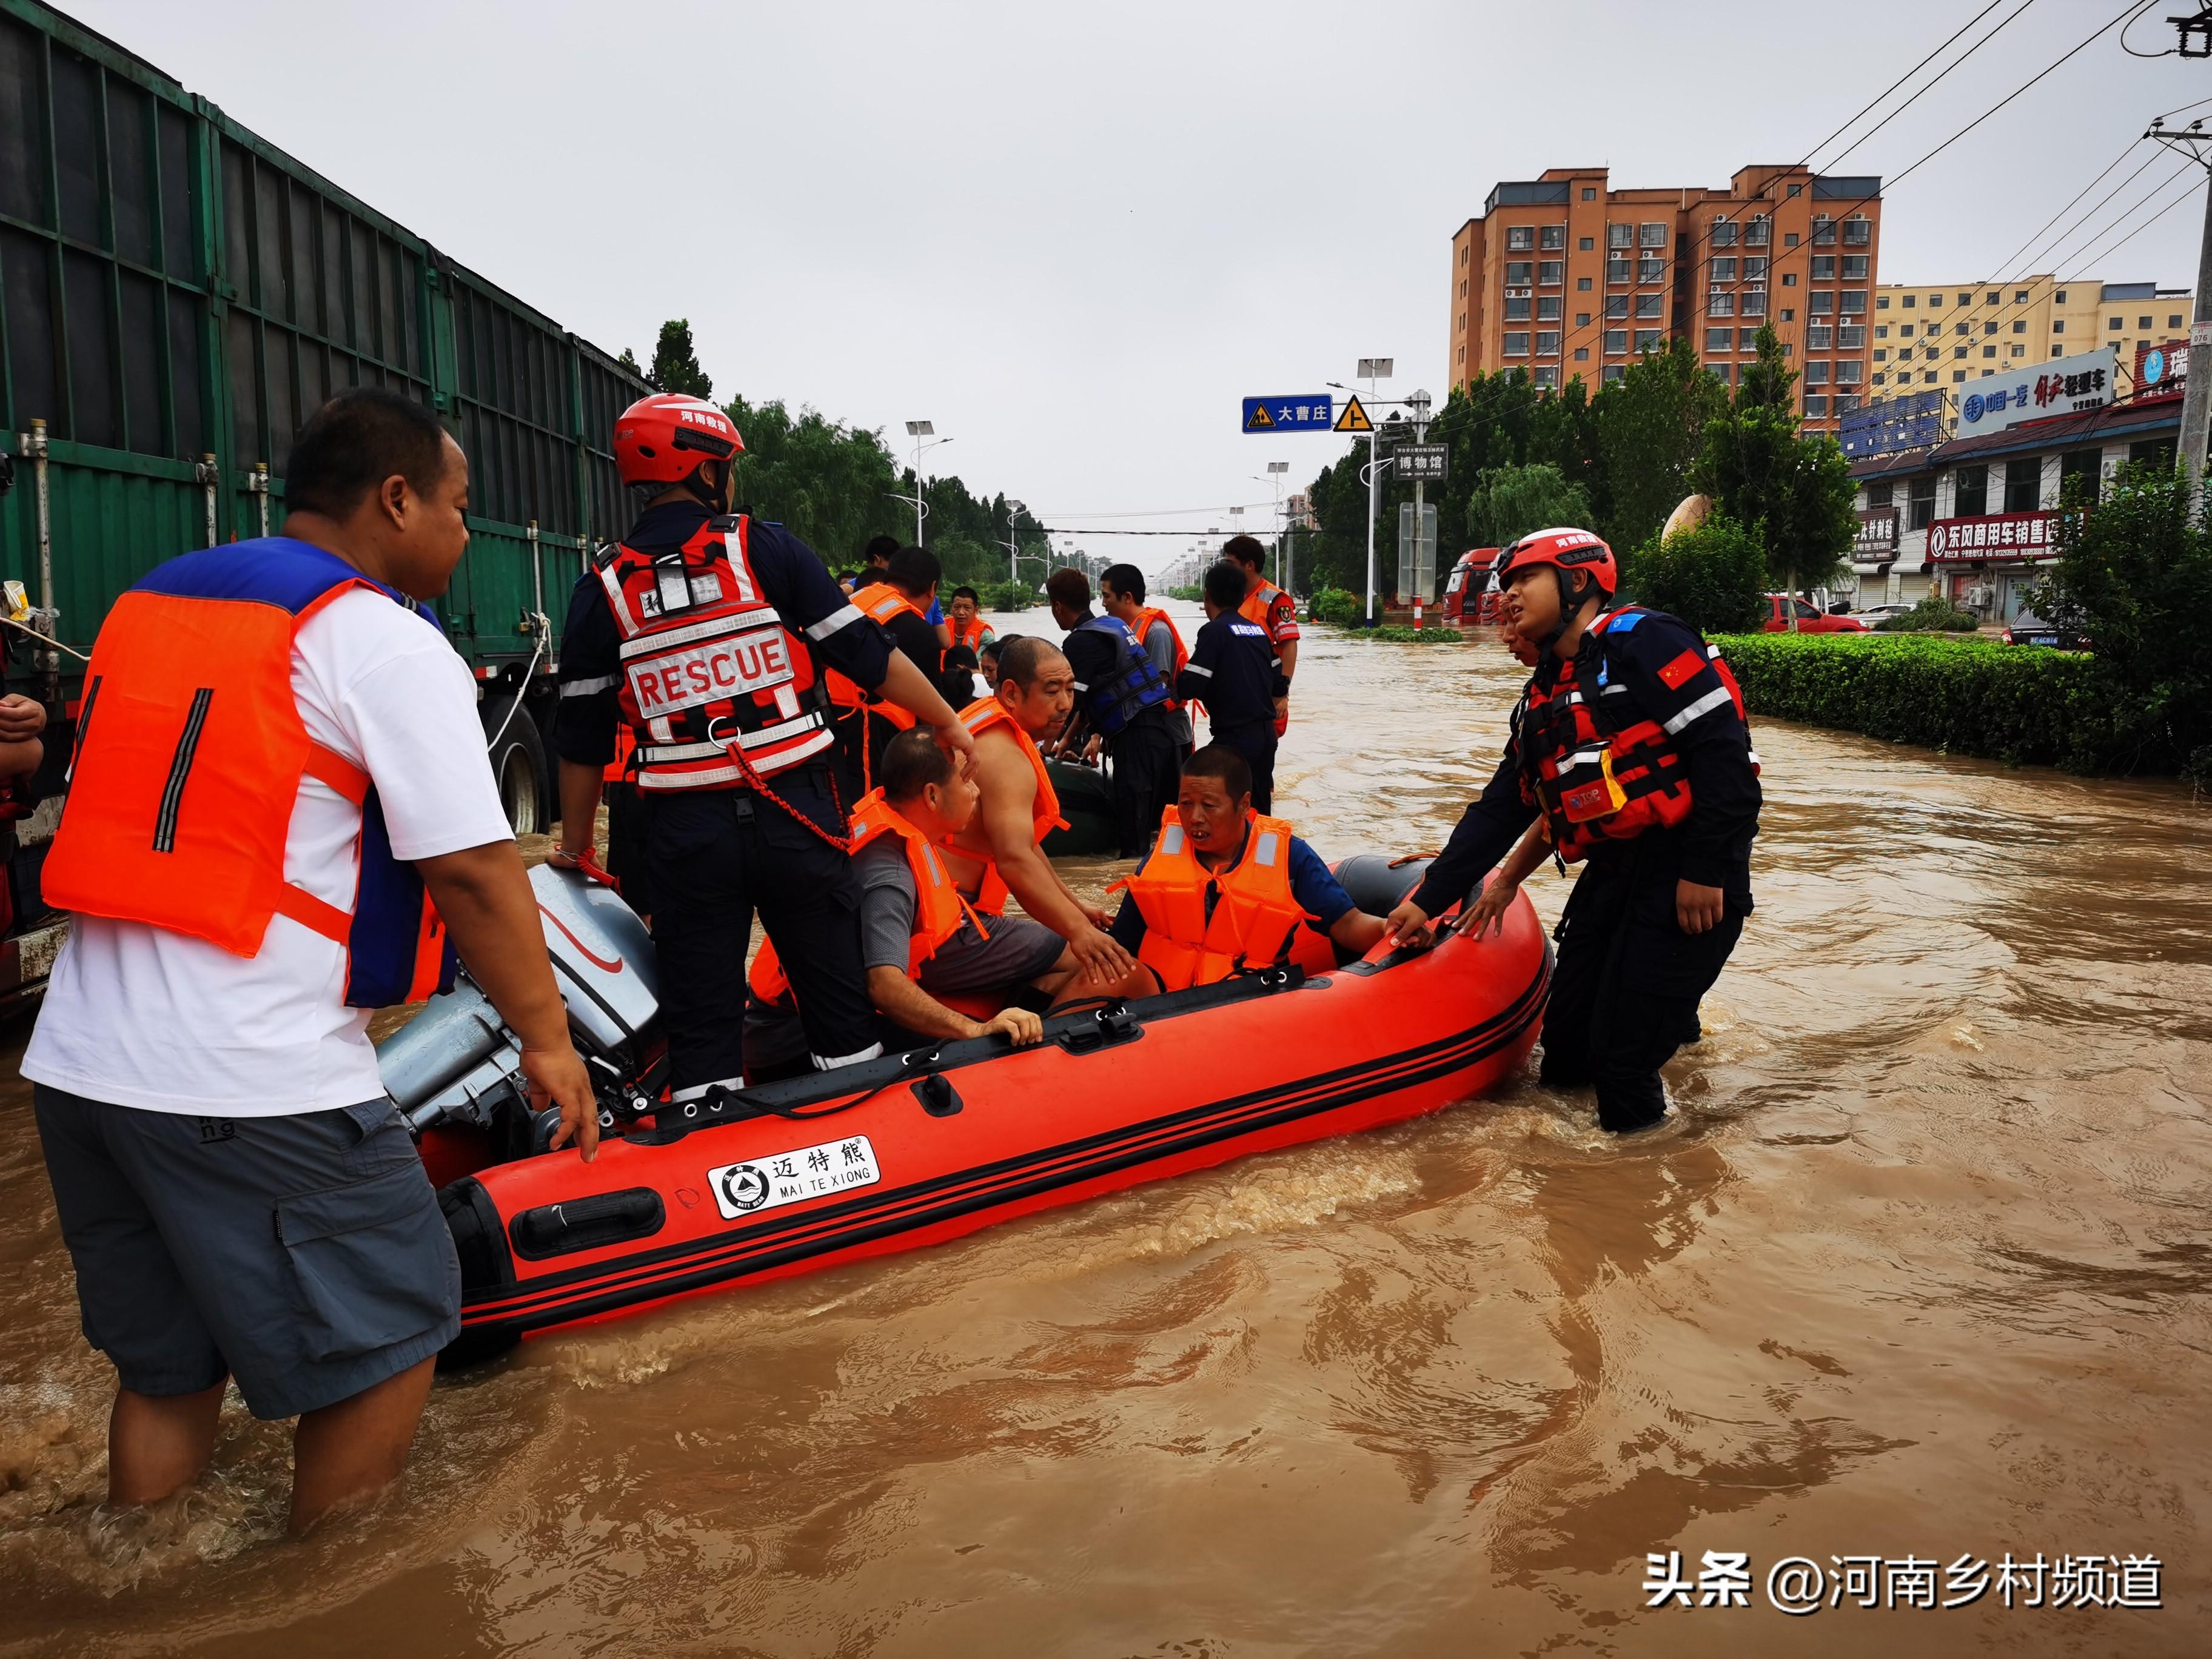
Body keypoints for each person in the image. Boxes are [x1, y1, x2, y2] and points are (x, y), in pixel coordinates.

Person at [24, 389, 598, 1533]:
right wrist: (547, 1038)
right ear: (396, 499)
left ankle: (144, 1578)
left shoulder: (147, 604)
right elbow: (478, 871)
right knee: (390, 1333)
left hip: (80, 1071)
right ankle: (324, 1599)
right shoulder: (381, 639)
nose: (466, 533)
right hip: (252, 1080)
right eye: (459, 506)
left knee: (168, 1366)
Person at [551, 392, 974, 1095]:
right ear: (709, 471)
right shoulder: (764, 548)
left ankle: (709, 1144)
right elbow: (867, 655)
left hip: (686, 839)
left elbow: (581, 739)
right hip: (797, 817)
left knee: (705, 1026)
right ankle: (860, 1126)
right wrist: (951, 721)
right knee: (840, 1013)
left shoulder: (601, 588)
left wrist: (576, 849)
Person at [1383, 526, 1761, 1134]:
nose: (1508, 596)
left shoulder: (1647, 642)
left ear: (1578, 580)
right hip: (1614, 875)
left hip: (1687, 874)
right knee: (1565, 1054)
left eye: (1524, 580)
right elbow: (1499, 812)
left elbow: (1728, 761)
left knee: (1622, 1061)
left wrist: (1705, 870)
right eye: (1504, 584)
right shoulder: (1543, 697)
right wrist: (1426, 901)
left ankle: (1641, 1179)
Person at [746, 730, 1071, 1067]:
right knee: (971, 1052)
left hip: (792, 1012)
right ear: (932, 796)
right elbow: (885, 985)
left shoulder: (893, 823)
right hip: (792, 1038)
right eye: (968, 781)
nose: (976, 792)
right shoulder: (891, 875)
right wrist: (977, 1031)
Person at [939, 635, 1145, 988]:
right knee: (1125, 972)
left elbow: (1027, 844)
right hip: (949, 924)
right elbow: (1015, 861)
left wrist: (1075, 906)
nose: (1065, 704)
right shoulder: (1005, 758)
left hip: (938, 910)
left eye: (1069, 689)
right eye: (1052, 691)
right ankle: (1030, 1042)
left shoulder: (987, 726)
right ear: (1011, 693)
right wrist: (1079, 932)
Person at [1108, 745, 1386, 990]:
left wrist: (1390, 931)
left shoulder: (1290, 856)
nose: (1194, 818)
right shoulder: (1163, 856)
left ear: (1244, 805)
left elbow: (1348, 924)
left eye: (1208, 805)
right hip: (1164, 998)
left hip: (1250, 998)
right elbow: (1123, 942)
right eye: (1186, 804)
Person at [1046, 567, 1178, 859]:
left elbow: (1069, 704)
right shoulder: (1110, 627)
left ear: (1057, 606)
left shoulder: (1079, 642)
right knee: (1145, 828)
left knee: (1134, 841)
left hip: (1137, 740)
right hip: (1154, 736)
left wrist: (1042, 747)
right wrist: (1064, 744)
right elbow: (1089, 699)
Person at [827, 545, 950, 796]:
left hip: (824, 732)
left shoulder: (845, 606)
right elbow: (933, 718)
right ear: (933, 589)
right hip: (874, 748)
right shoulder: (920, 633)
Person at [1179, 560, 1285, 812]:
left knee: (1223, 808)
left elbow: (1189, 685)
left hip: (1235, 739)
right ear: (1242, 597)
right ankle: (1265, 851)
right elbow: (1279, 685)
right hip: (1266, 737)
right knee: (1259, 808)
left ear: (1207, 595)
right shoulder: (1258, 632)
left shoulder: (1214, 631)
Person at [1099, 563, 1193, 762]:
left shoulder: (1156, 632)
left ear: (1127, 598)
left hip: (1167, 739)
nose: (1103, 603)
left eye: (1106, 596)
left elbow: (1156, 694)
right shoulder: (1127, 632)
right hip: (1141, 738)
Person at [1223, 534, 1298, 737]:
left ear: (1249, 565)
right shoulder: (1231, 597)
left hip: (1265, 691)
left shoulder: (1276, 600)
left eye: (1230, 562)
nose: (1226, 568)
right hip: (1236, 692)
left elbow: (1289, 645)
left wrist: (1283, 693)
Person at [947, 585, 994, 657]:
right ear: (951, 608)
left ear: (976, 610)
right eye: (957, 607)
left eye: (967, 608)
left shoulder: (985, 635)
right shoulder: (940, 627)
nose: (961, 612)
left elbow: (982, 662)